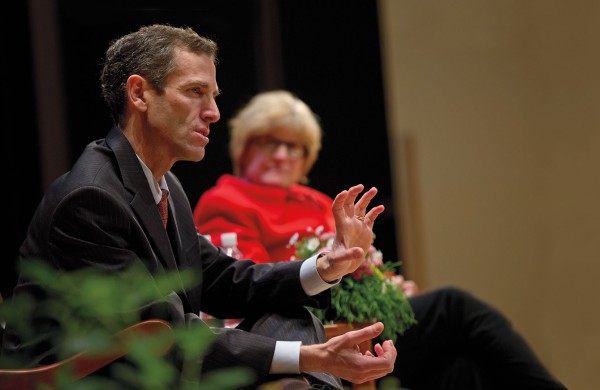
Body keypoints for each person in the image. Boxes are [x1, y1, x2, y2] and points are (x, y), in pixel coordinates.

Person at [0, 25, 398, 390]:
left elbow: (223, 281)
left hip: (156, 364)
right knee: (295, 370)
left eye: (213, 96)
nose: (213, 113)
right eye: (194, 92)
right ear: (138, 94)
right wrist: (310, 357)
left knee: (294, 321)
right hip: (90, 378)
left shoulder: (163, 182)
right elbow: (161, 333)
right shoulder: (90, 198)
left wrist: (327, 267)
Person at [193, 90, 567, 390]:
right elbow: (249, 286)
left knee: (462, 368)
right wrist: (337, 275)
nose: (281, 155)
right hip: (315, 328)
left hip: (365, 322)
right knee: (455, 306)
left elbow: (363, 260)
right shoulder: (225, 200)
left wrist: (386, 287)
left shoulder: (320, 201)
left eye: (294, 147)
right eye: (269, 142)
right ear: (244, 147)